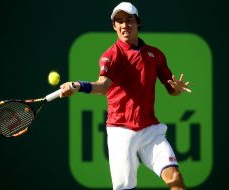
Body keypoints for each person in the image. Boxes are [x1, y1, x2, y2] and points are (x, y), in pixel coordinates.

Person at [60, 2, 191, 190]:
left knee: (175, 179)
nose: (124, 25)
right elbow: (102, 86)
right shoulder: (111, 55)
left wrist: (176, 89)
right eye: (119, 21)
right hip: (121, 131)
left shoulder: (155, 55)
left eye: (129, 20)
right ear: (114, 26)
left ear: (138, 23)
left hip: (150, 130)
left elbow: (171, 89)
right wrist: (79, 85)